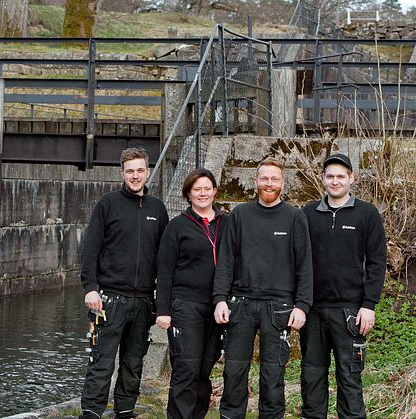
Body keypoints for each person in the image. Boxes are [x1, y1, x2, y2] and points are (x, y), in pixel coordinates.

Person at [213, 156, 313, 419]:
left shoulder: (295, 217)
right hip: (241, 304)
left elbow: (305, 266)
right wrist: (220, 299)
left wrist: (302, 305)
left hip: (279, 306)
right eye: (264, 178)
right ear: (255, 181)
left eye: (274, 179)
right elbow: (225, 260)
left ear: (283, 182)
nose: (269, 183)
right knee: (234, 372)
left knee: (273, 375)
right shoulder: (240, 215)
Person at [79, 147, 168, 419]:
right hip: (109, 300)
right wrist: (90, 287)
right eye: (130, 171)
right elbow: (90, 248)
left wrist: (161, 303)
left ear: (148, 172)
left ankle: (125, 413)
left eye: (140, 170)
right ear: (122, 173)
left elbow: (165, 259)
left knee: (133, 364)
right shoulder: (108, 203)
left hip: (143, 302)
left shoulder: (157, 208)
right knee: (101, 363)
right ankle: (92, 413)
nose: (135, 176)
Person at [300, 153, 387, 419]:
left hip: (350, 311)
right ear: (323, 179)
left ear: (351, 178)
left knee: (349, 378)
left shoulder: (367, 214)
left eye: (340, 176)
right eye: (330, 176)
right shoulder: (308, 213)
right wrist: (299, 303)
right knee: (312, 376)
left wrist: (368, 305)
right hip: (313, 309)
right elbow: (298, 260)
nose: (335, 181)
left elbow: (376, 261)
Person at [156, 168, 227, 419]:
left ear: (215, 191)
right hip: (186, 305)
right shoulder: (177, 226)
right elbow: (164, 271)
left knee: (204, 369)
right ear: (188, 193)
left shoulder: (226, 223)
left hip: (217, 307)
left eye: (207, 188)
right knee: (186, 368)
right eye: (197, 189)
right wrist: (162, 310)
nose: (203, 193)